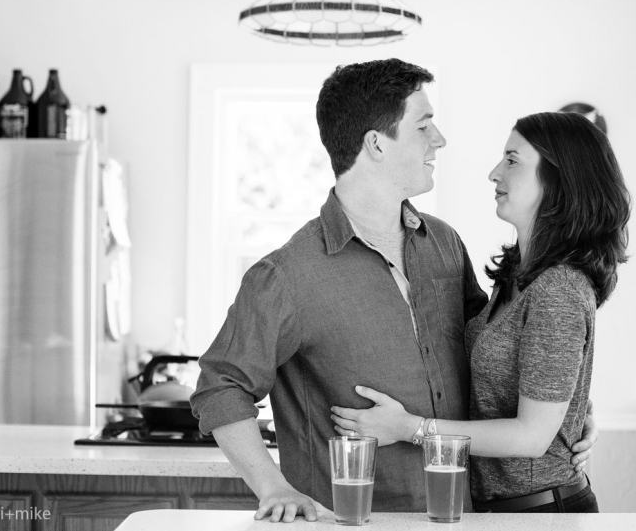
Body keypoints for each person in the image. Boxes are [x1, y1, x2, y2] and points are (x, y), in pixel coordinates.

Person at [190, 60, 597, 523]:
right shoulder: (286, 275)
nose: (439, 139)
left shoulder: (443, 243)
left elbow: (494, 348)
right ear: (377, 144)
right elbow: (220, 387)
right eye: (423, 126)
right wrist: (274, 487)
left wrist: (565, 412)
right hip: (353, 521)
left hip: (463, 517)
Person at [331, 111, 631, 513]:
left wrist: (407, 428)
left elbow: (531, 438)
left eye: (512, 160)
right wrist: (574, 412)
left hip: (541, 513)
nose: (494, 173)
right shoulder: (519, 276)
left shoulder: (558, 289)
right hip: (502, 509)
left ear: (559, 181)